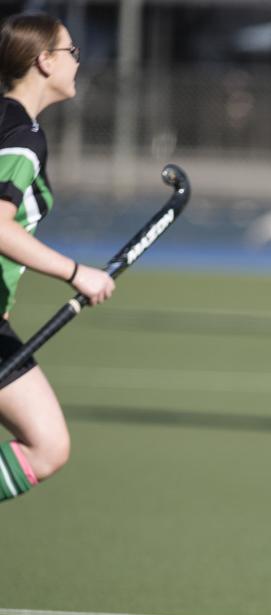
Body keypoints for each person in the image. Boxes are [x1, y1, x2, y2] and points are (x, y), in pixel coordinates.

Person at [0, 12, 115, 503]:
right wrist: (75, 272)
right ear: (44, 61)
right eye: (72, 53)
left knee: (48, 444)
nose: (77, 63)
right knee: (47, 446)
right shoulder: (23, 136)